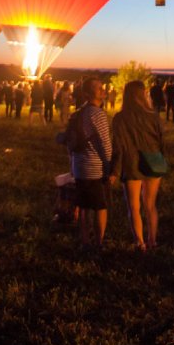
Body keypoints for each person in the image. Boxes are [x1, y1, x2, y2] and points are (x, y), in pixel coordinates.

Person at [109, 79, 166, 251]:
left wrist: (115, 171)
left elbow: (118, 147)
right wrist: (162, 159)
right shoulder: (153, 116)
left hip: (131, 163)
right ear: (143, 94)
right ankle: (152, 240)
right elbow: (161, 141)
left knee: (134, 206)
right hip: (154, 161)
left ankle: (140, 242)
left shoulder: (120, 118)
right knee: (150, 205)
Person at [61, 78, 114, 249]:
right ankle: (98, 243)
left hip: (79, 165)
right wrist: (109, 168)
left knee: (84, 206)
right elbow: (105, 144)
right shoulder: (97, 113)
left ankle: (85, 241)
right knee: (100, 206)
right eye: (98, 88)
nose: (102, 90)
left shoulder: (79, 112)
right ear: (88, 93)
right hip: (94, 168)